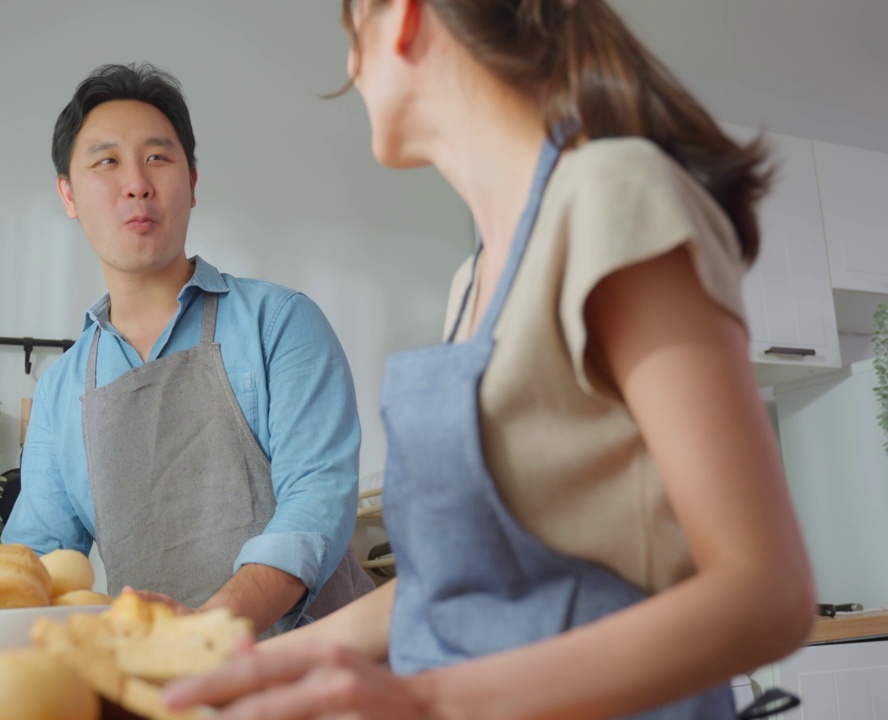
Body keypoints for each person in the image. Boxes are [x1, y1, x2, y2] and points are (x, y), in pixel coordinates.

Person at [160, 1, 817, 717]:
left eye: (352, 38)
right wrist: (217, 670)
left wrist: (431, 701)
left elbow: (767, 594)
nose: (350, 70)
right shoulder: (472, 282)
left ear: (404, 17)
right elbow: (446, 591)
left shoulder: (611, 194)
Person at [2, 63, 376, 636]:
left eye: (157, 157)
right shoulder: (61, 389)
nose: (137, 184)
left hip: (318, 674)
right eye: (106, 161)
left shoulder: (280, 323)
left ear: (193, 182)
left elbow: (315, 507)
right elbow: (37, 564)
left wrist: (207, 629)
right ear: (68, 194)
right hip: (163, 689)